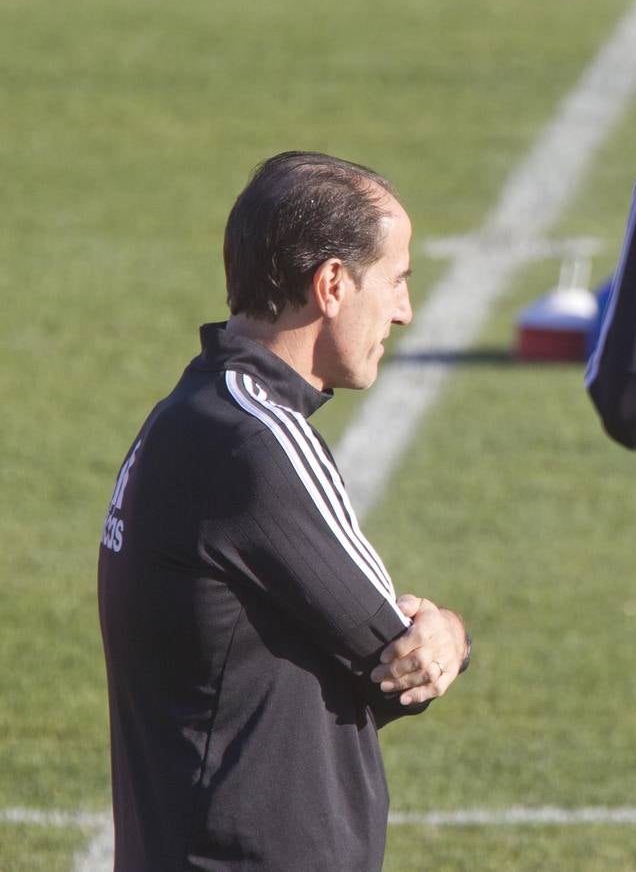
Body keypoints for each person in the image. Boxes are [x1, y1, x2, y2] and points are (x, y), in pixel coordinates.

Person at [97, 151, 471, 871]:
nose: (404, 310)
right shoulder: (258, 444)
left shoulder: (191, 413)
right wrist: (450, 631)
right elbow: (397, 663)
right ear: (332, 284)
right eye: (395, 280)